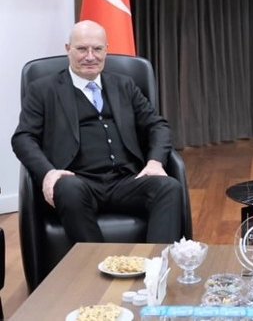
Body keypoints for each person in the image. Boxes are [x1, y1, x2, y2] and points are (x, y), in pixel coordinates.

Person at [12, 20, 184, 245]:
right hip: (78, 182)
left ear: (106, 50)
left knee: (168, 186)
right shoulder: (43, 90)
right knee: (67, 187)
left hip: (126, 181)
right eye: (82, 49)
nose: (90, 56)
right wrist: (48, 173)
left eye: (97, 49)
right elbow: (23, 137)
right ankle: (99, 265)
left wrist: (155, 162)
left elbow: (157, 125)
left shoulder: (124, 85)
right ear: (68, 49)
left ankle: (156, 264)